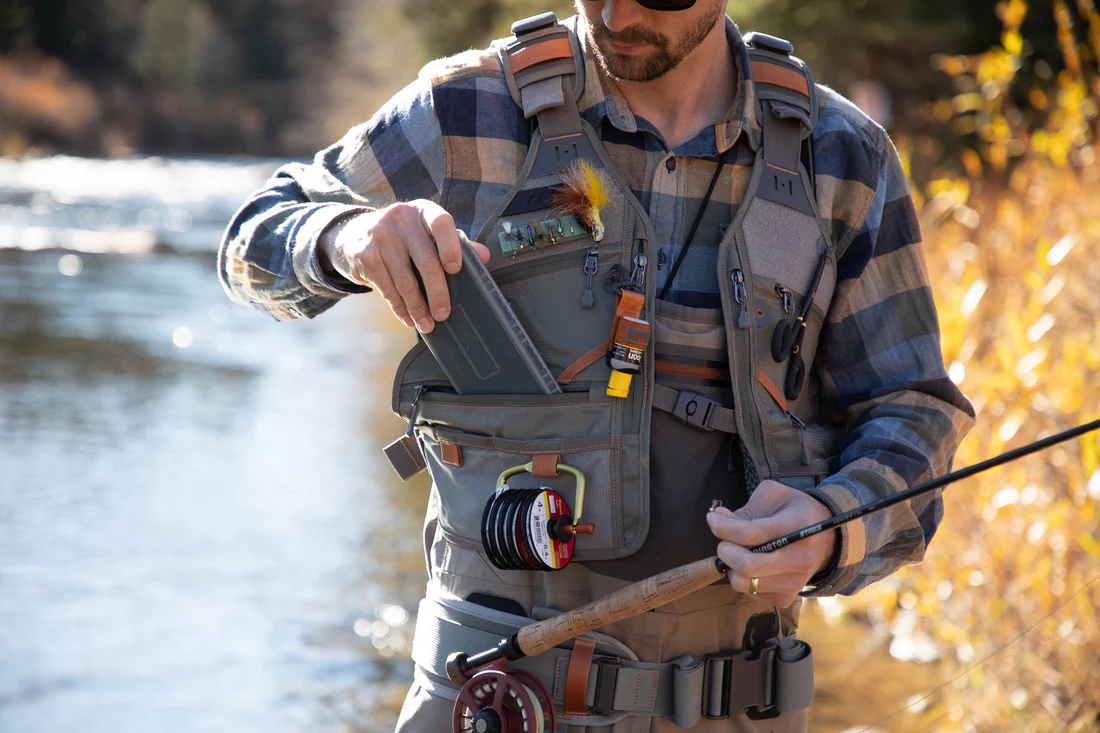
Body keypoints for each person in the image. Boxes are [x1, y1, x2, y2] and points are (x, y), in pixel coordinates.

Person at [219, 1, 975, 730]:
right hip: (493, 701)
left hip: (742, 705)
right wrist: (344, 238)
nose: (616, 17)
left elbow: (913, 406)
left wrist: (836, 526)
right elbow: (253, 237)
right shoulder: (467, 111)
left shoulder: (843, 158)